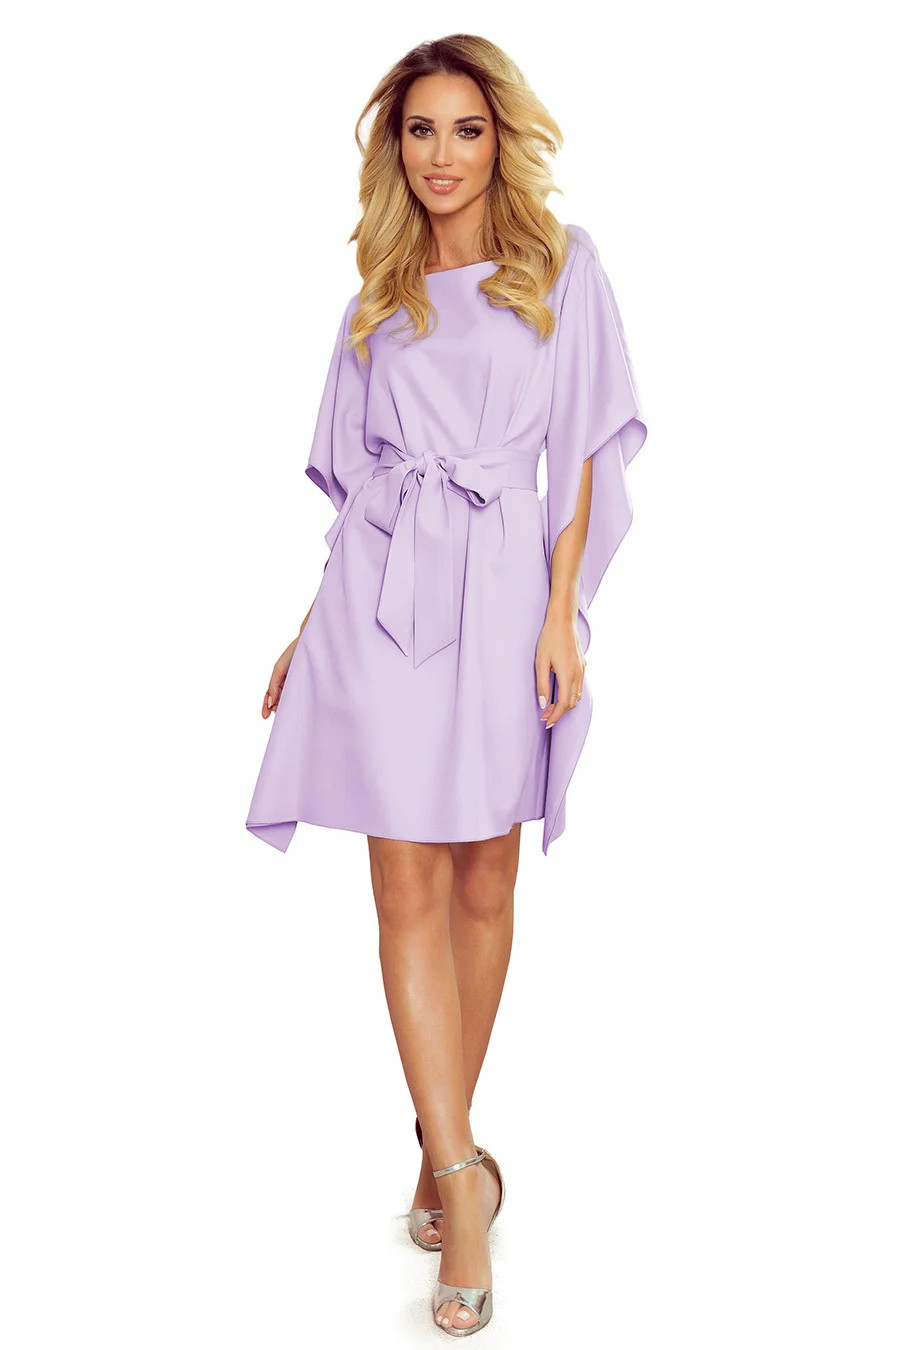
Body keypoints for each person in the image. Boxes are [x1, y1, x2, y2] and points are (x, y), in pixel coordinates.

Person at [245, 34, 647, 1336]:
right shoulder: (375, 296)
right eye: (419, 130)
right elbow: (356, 486)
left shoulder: (560, 267)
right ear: (393, 148)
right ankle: (464, 1176)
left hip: (502, 592)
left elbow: (579, 448)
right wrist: (310, 627)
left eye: (465, 128)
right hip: (379, 601)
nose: (441, 154)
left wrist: (563, 612)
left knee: (485, 876)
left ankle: (439, 1137)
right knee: (406, 883)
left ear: (499, 139)